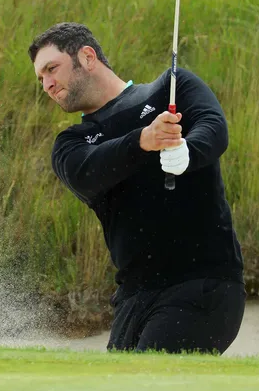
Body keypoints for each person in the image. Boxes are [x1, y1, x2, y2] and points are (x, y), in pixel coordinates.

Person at [28, 22, 245, 354]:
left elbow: (213, 128)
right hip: (134, 298)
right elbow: (88, 173)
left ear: (87, 57)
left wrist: (188, 150)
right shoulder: (70, 144)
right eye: (41, 78)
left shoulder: (172, 87)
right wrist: (144, 140)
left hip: (202, 283)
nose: (46, 84)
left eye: (51, 69)